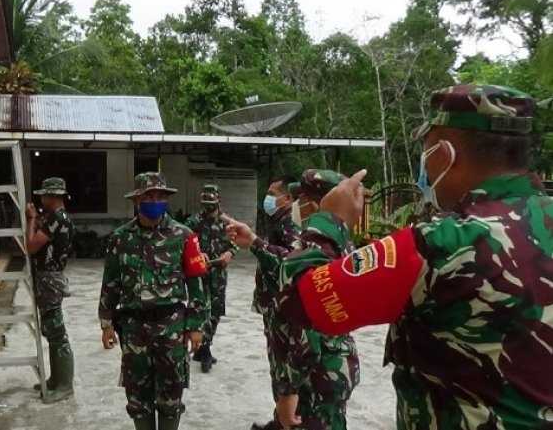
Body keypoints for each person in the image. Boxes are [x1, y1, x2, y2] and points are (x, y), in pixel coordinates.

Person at [226, 85, 553, 429]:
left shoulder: (438, 245)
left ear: (444, 152)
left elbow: (301, 300)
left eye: (425, 148)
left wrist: (329, 220)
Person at [99, 172, 207, 430]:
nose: (155, 200)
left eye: (160, 196)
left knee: (171, 396)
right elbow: (110, 283)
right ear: (137, 200)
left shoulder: (184, 236)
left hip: (171, 327)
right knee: (137, 397)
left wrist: (196, 325)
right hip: (134, 328)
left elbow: (197, 285)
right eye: (149, 196)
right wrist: (106, 323)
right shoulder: (120, 238)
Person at [268, 170, 360, 430]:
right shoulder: (342, 244)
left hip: (314, 375)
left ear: (320, 204)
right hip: (332, 366)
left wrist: (289, 389)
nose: (297, 205)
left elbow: (306, 325)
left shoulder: (316, 252)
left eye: (303, 198)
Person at [252, 176, 303, 430]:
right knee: (279, 367)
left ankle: (286, 421)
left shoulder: (289, 224)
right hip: (273, 304)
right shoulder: (278, 220)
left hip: (282, 307)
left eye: (273, 193)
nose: (268, 198)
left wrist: (256, 244)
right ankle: (280, 420)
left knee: (284, 368)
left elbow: (291, 262)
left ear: (287, 198)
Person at [25, 177, 76, 403]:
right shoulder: (56, 218)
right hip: (48, 278)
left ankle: (64, 385)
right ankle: (56, 379)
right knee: (51, 331)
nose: (41, 199)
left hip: (49, 279)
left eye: (44, 196)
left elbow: (31, 245)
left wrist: (32, 218)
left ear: (53, 197)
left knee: (57, 332)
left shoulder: (57, 219)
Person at [184, 184, 238, 373]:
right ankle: (204, 349)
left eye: (212, 205)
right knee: (200, 309)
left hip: (219, 273)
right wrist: (198, 254)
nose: (208, 209)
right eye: (205, 204)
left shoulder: (227, 222)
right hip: (199, 273)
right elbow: (185, 244)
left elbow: (235, 241)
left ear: (218, 202)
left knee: (215, 311)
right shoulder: (193, 222)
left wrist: (230, 252)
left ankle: (204, 347)